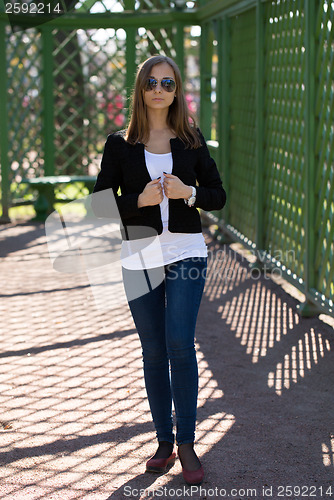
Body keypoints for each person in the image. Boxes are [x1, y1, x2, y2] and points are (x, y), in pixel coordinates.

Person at [93, 55, 226, 486]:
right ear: (141, 88)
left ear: (175, 90)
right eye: (151, 81)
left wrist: (190, 194)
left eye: (167, 82)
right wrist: (138, 202)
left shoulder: (191, 140)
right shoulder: (119, 144)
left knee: (179, 343)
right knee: (153, 350)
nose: (159, 89)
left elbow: (218, 195)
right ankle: (164, 441)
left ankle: (186, 441)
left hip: (186, 251)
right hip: (139, 257)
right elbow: (96, 207)